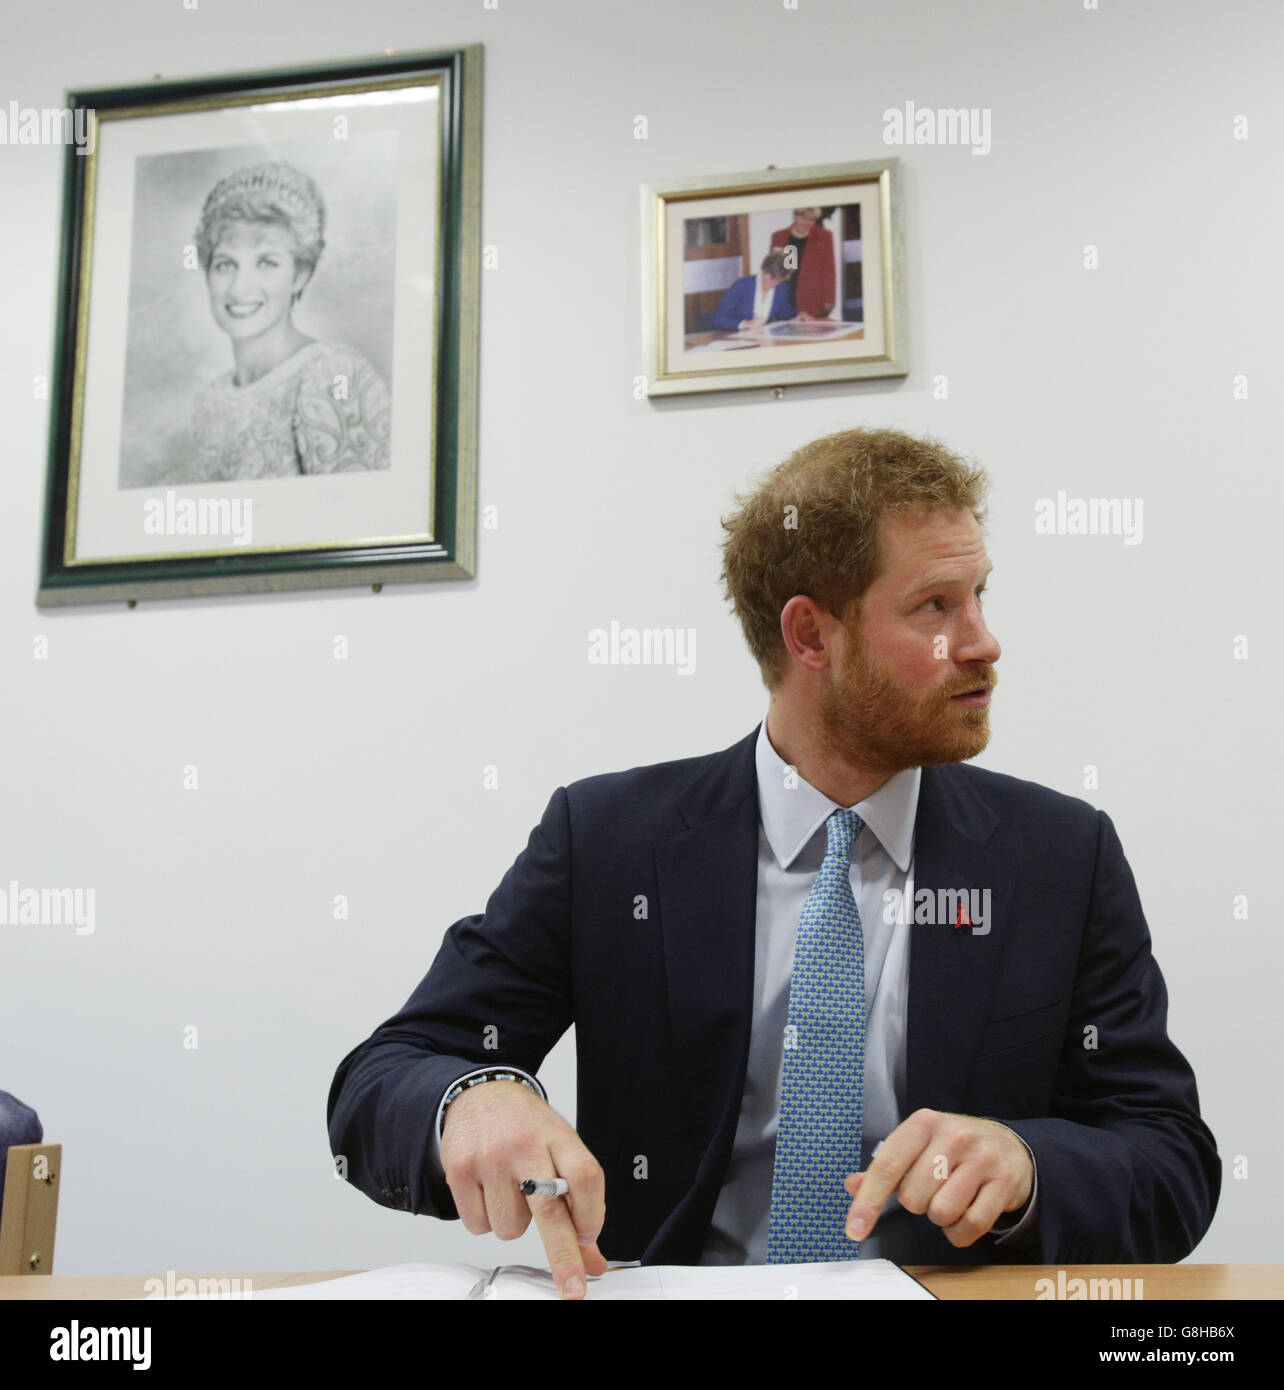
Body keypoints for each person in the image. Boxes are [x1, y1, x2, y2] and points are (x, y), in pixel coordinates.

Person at [327, 427, 1220, 1298]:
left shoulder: (1059, 855)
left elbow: (1171, 1158)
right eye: (936, 607)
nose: (985, 642)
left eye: (981, 595)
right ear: (810, 637)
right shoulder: (607, 841)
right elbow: (383, 1079)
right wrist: (472, 1095)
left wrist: (1029, 1164)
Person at [188, 160, 392, 482]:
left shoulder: (333, 376)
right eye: (226, 264)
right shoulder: (209, 401)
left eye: (267, 263)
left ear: (300, 274)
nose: (240, 288)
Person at [770, 206, 836, 319]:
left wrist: (829, 299)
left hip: (812, 297)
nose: (807, 223)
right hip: (787, 294)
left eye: (811, 219)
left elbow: (829, 269)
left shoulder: (824, 236)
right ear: (795, 216)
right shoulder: (779, 236)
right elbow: (775, 269)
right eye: (803, 218)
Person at [709, 250, 796, 332]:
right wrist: (746, 324)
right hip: (737, 339)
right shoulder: (741, 286)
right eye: (772, 278)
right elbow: (719, 319)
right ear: (763, 271)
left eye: (779, 280)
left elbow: (786, 312)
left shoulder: (782, 288)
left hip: (764, 340)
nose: (774, 284)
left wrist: (798, 316)